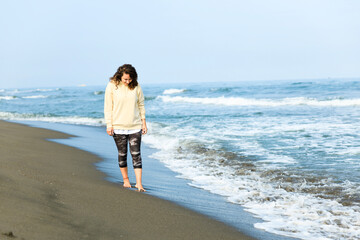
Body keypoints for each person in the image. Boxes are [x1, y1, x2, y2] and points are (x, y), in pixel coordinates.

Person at [104, 64, 147, 192]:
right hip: (118, 127)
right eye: (125, 79)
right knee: (122, 154)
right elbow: (108, 107)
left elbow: (141, 105)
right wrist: (109, 125)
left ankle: (139, 184)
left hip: (135, 126)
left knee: (136, 154)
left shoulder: (136, 86)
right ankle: (126, 180)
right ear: (120, 77)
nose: (128, 82)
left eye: (130, 79)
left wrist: (143, 123)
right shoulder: (112, 86)